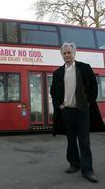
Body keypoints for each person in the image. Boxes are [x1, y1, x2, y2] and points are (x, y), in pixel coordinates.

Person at [50, 42, 104, 183]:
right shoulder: (58, 73)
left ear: (74, 53)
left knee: (84, 141)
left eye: (69, 52)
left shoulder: (84, 68)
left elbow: (93, 86)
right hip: (67, 111)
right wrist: (59, 105)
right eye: (65, 53)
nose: (67, 55)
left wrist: (88, 102)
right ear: (62, 55)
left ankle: (87, 170)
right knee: (71, 140)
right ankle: (74, 164)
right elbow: (53, 91)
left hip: (82, 111)